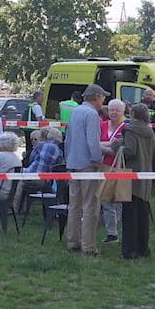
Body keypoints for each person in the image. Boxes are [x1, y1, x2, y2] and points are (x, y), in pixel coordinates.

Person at [64, 84, 106, 255]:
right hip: (87, 164)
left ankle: (73, 241)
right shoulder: (91, 114)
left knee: (74, 205)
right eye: (103, 97)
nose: (104, 100)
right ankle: (88, 246)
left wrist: (68, 160)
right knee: (90, 205)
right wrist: (98, 160)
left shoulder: (76, 111)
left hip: (73, 163)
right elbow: (93, 142)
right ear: (96, 97)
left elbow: (68, 139)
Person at [114, 103, 155, 260]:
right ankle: (143, 248)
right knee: (143, 216)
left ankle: (129, 250)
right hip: (146, 178)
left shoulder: (130, 129)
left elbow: (130, 151)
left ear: (133, 114)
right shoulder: (150, 132)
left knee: (129, 217)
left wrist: (117, 145)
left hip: (131, 178)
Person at [99, 99, 126, 244]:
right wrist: (109, 146)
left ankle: (119, 229)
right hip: (104, 166)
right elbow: (111, 146)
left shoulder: (126, 127)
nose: (114, 112)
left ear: (123, 112)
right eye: (111, 110)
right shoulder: (102, 125)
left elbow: (118, 149)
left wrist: (100, 146)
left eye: (117, 110)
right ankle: (111, 232)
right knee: (106, 200)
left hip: (122, 166)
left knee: (119, 200)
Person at [21, 126, 63, 214]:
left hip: (31, 175)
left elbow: (30, 160)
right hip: (46, 180)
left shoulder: (40, 145)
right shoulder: (59, 151)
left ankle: (17, 208)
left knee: (16, 181)